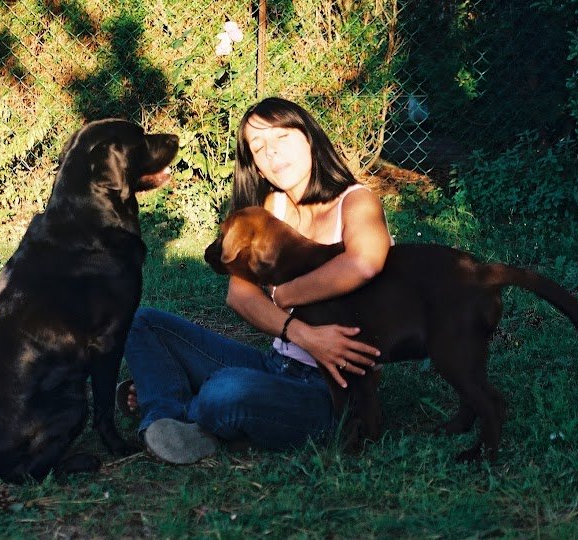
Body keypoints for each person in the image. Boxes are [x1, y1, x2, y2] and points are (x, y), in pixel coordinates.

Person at [119, 97, 393, 464]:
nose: (272, 152)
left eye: (282, 136)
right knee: (144, 322)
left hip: (333, 390)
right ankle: (167, 416)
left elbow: (363, 263)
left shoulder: (356, 202)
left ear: (309, 137)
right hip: (277, 365)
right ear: (256, 167)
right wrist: (303, 334)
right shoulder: (271, 208)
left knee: (226, 390)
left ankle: (173, 398)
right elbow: (241, 296)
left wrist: (285, 294)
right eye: (259, 147)